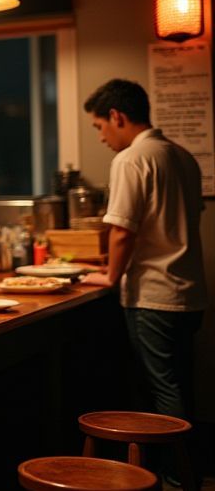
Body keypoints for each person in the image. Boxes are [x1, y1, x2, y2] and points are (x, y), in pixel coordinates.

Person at [80, 79, 206, 432]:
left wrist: (110, 276)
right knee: (181, 383)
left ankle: (174, 479)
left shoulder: (131, 158)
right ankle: (187, 470)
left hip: (154, 295)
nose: (101, 137)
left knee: (161, 389)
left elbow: (123, 230)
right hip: (190, 293)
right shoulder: (182, 156)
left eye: (99, 126)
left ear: (117, 116)